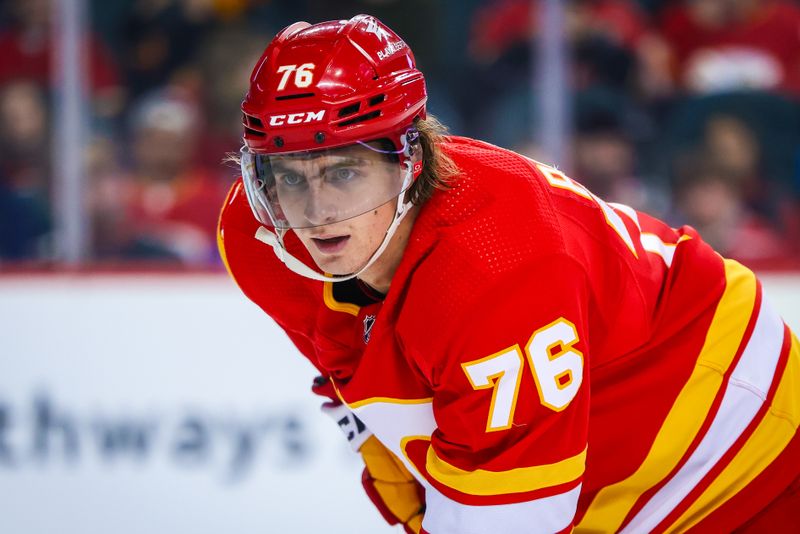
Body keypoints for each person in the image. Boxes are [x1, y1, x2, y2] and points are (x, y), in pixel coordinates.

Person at [217, 14, 800, 533]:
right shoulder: (259, 236)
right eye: (289, 176)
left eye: (343, 173)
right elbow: (355, 382)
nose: (316, 213)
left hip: (738, 444)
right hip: (593, 450)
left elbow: (510, 519)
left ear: (409, 160)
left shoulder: (495, 269)